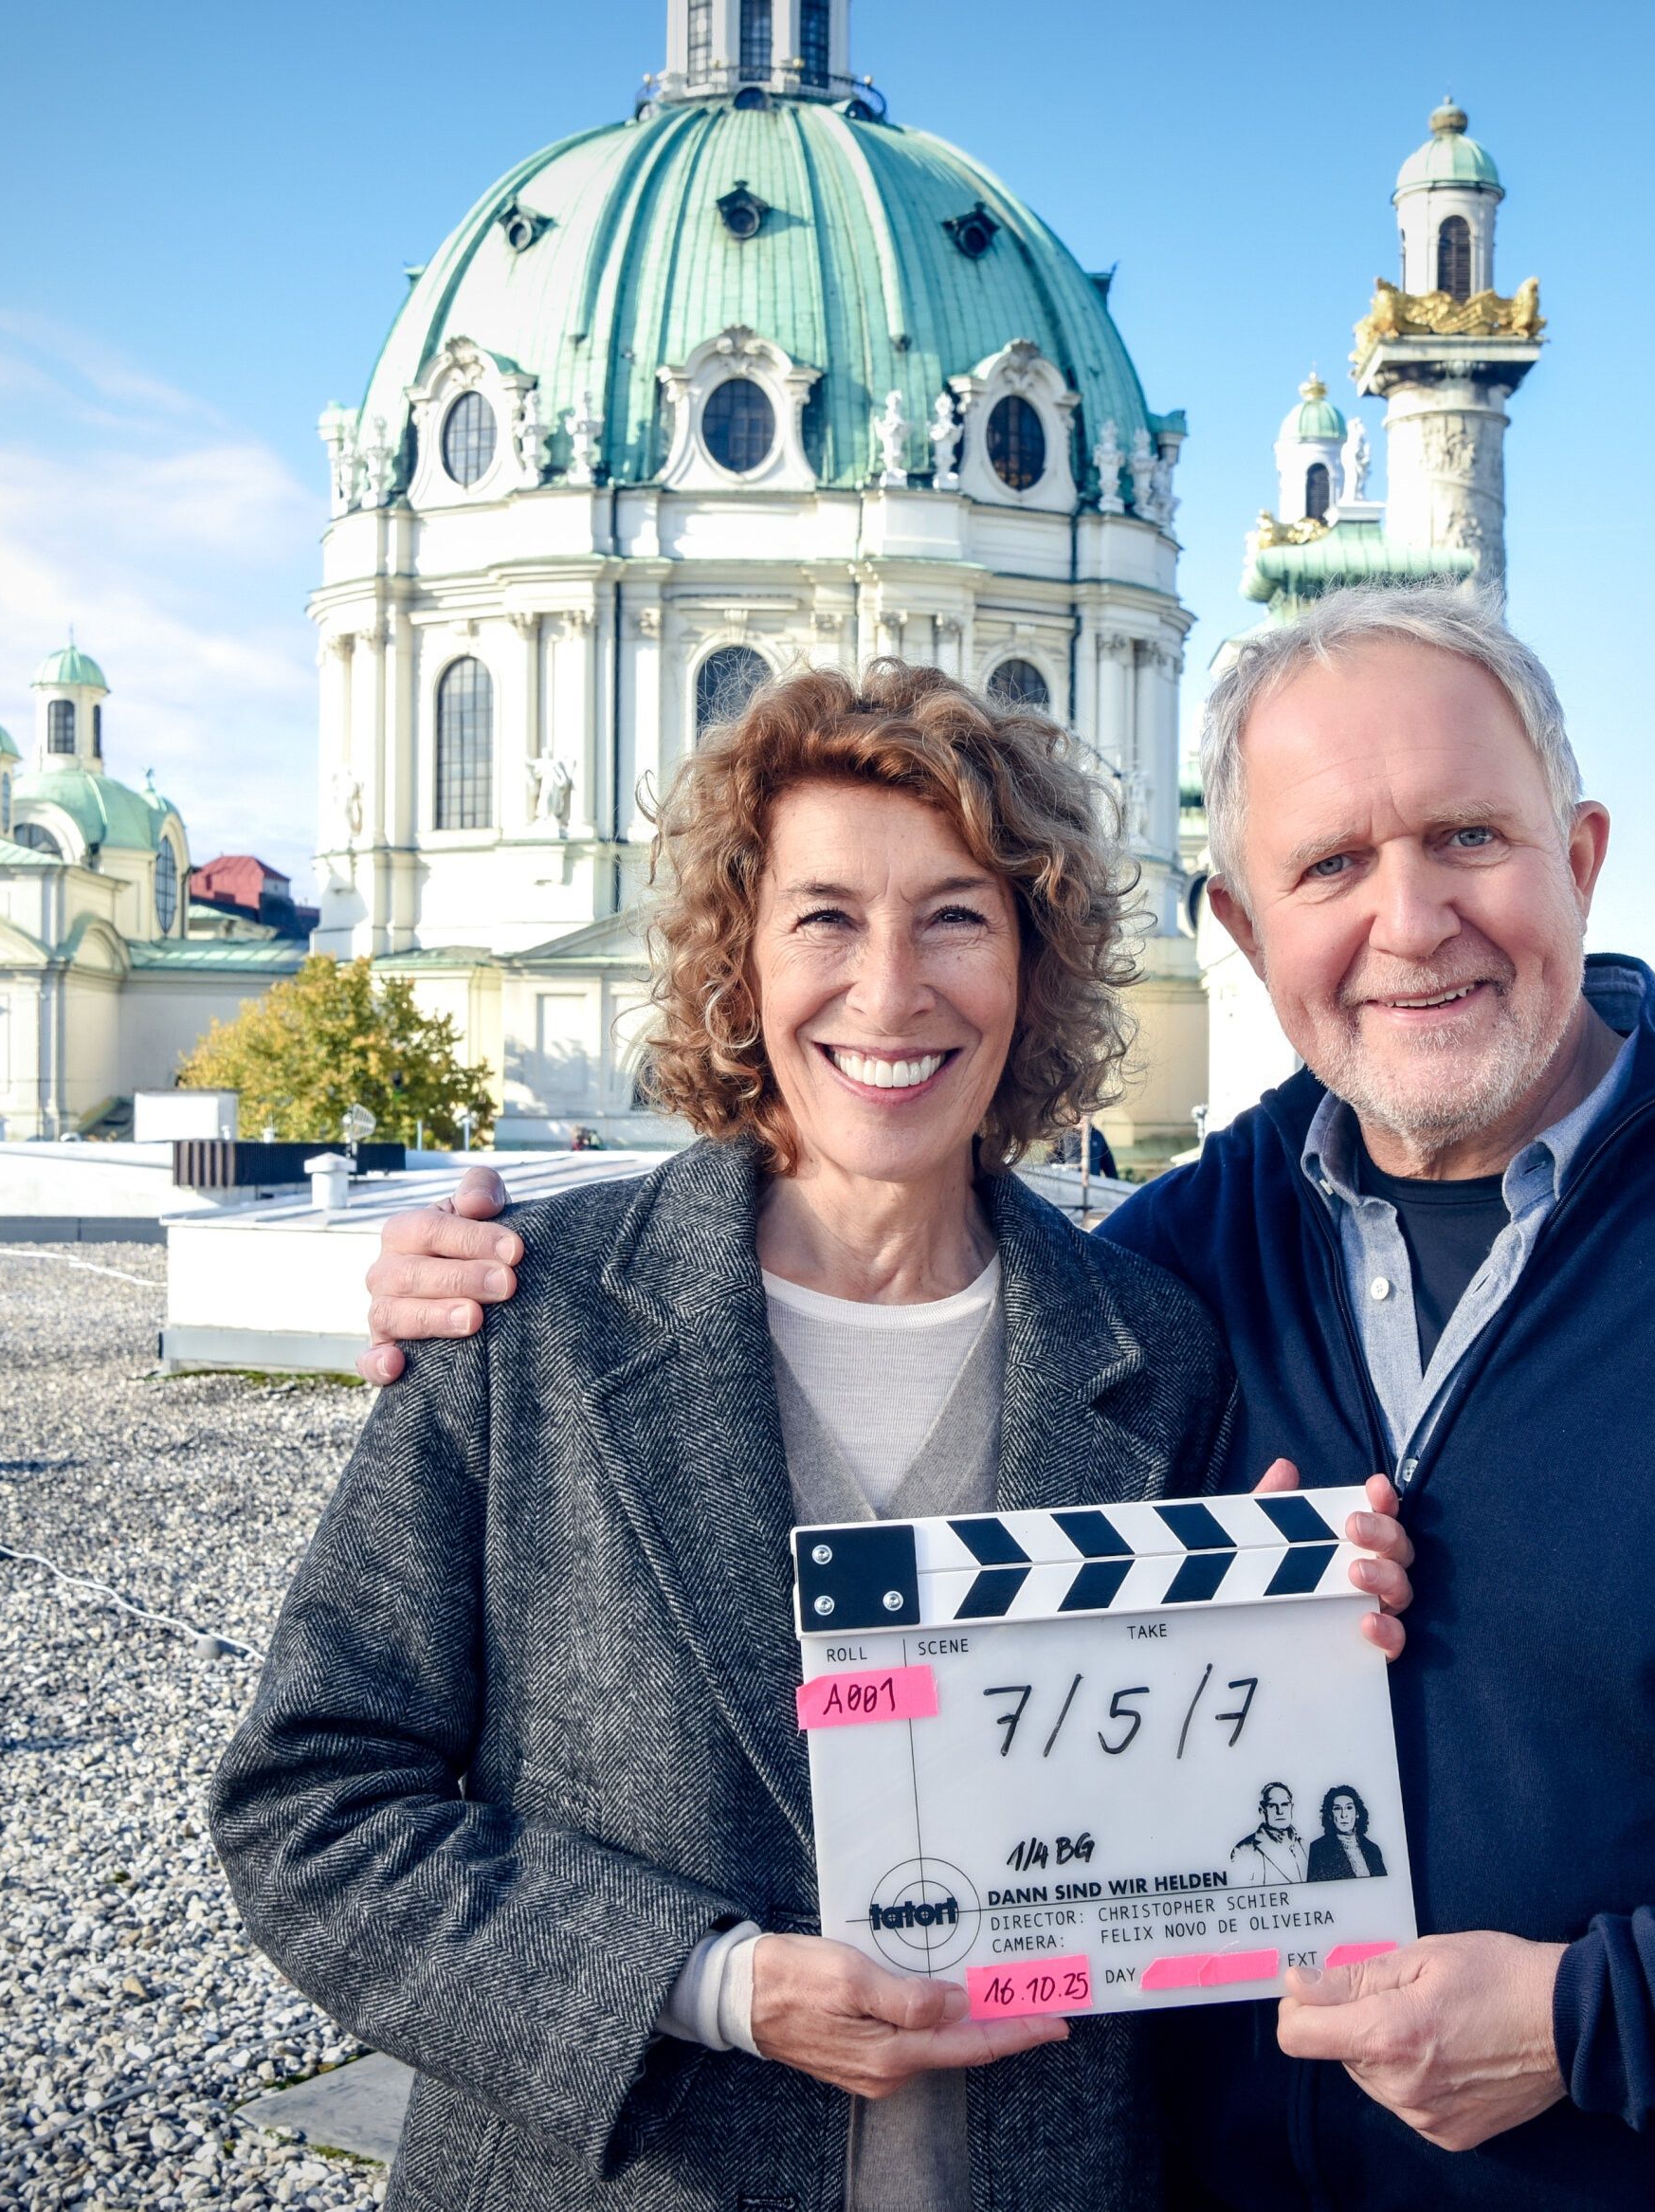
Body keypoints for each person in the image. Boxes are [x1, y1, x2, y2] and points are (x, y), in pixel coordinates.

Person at [361, 589, 1655, 2211]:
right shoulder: (1165, 1274)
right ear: (1242, 926)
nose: (1410, 922)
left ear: (1579, 851)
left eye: (1468, 837)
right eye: (1332, 865)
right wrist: (483, 1303)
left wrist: (1598, 2017)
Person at [212, 662, 1413, 2212]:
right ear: (741, 962)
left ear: (1032, 967)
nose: (892, 985)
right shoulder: (531, 1317)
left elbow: (1206, 1851)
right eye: (827, 915)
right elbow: (310, 1805)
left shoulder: (1163, 1350)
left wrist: (1299, 1644)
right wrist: (709, 1981)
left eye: (958, 916)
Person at [1228, 1783, 1301, 1889]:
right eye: (1272, 1806)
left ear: (1291, 1807)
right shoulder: (1243, 1851)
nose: (1280, 1811)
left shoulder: (1306, 1845)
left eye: (1285, 1804)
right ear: (1262, 1809)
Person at [1306, 1784, 1384, 1883]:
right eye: (1337, 1809)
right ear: (1330, 1815)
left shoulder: (1373, 1849)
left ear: (1357, 1813)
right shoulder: (1318, 1848)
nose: (1344, 1815)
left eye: (1349, 1808)